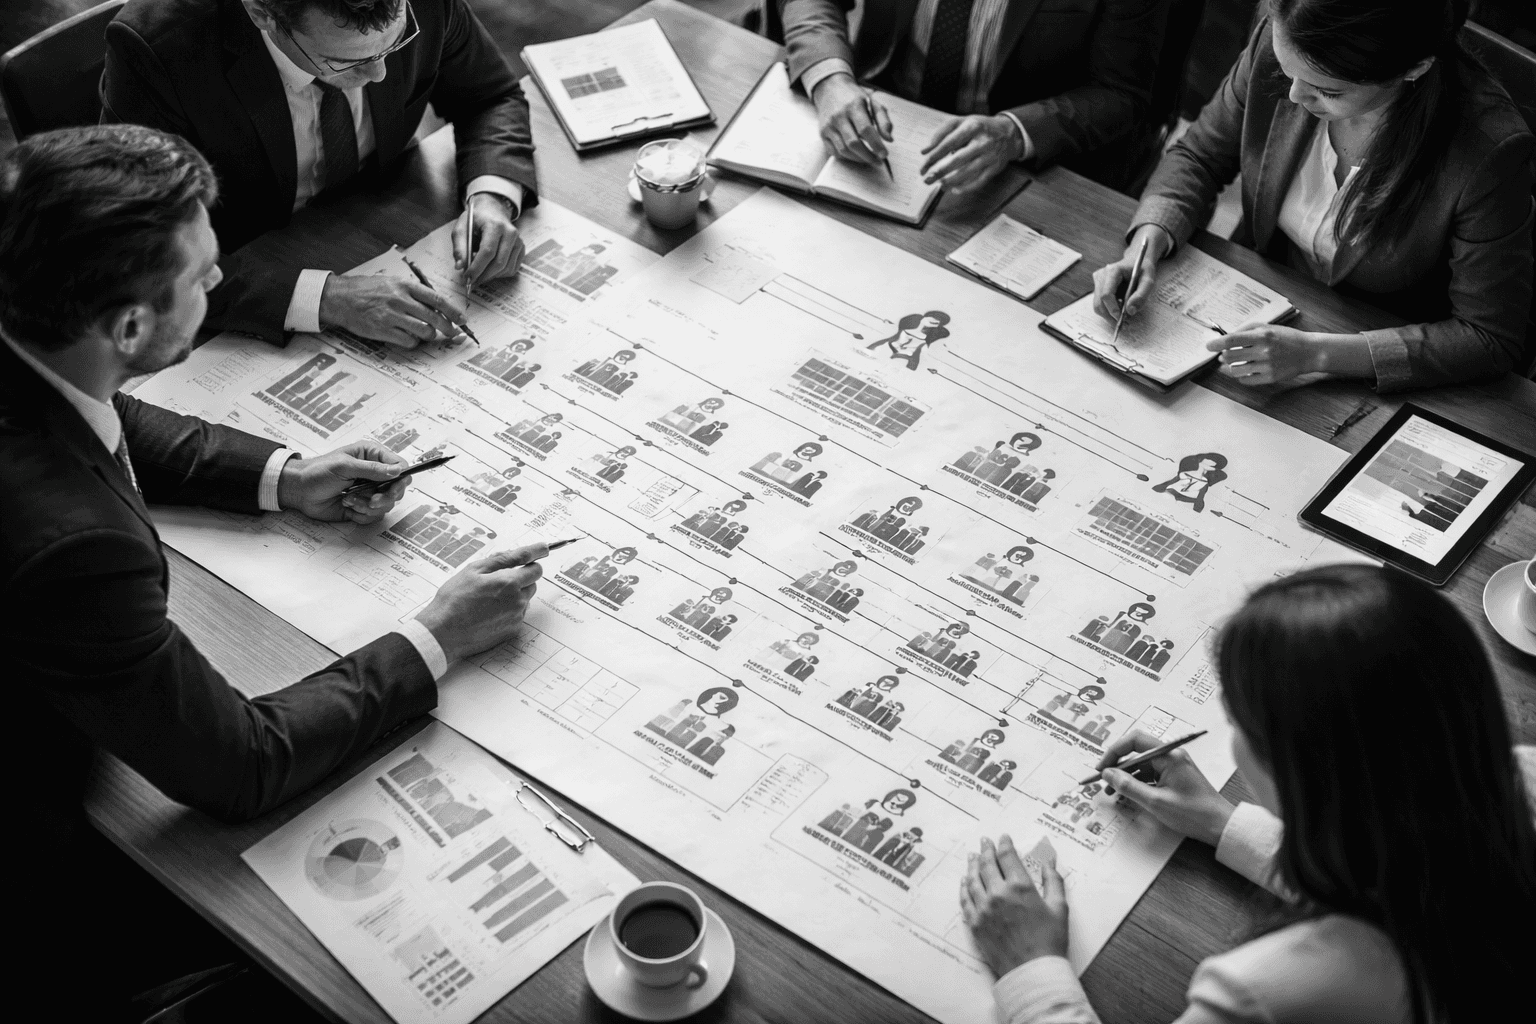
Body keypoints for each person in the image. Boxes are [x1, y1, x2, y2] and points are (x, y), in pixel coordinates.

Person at [0, 126, 545, 1017]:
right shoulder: (75, 553)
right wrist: (435, 636)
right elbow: (242, 765)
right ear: (131, 324)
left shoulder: (32, 329)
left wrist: (285, 477)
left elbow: (98, 412)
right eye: (204, 276)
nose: (222, 281)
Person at [960, 563, 1535, 1022]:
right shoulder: (1517, 772)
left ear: (1304, 777)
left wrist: (1031, 972)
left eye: (1238, 724)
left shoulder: (1267, 990)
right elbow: (1410, 869)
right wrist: (1222, 821)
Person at [1094, 0, 1534, 390]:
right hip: (1251, 305)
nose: (1293, 95)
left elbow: (1488, 336)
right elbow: (1200, 156)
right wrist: (1150, 238)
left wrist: (1319, 354)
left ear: (1414, 68)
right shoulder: (1278, 40)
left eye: (1329, 90)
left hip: (1375, 364)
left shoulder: (1487, 153)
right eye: (1289, 72)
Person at [102, 0, 538, 349]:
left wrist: (492, 196)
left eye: (395, 44)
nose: (379, 74)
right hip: (252, 263)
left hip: (376, 216)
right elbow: (138, 244)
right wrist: (325, 300)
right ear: (261, 14)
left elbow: (489, 95)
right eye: (343, 62)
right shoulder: (158, 50)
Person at [778, 0, 1172, 193]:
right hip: (883, 115)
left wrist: (1013, 133)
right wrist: (831, 79)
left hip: (1014, 165)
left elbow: (1120, 92)